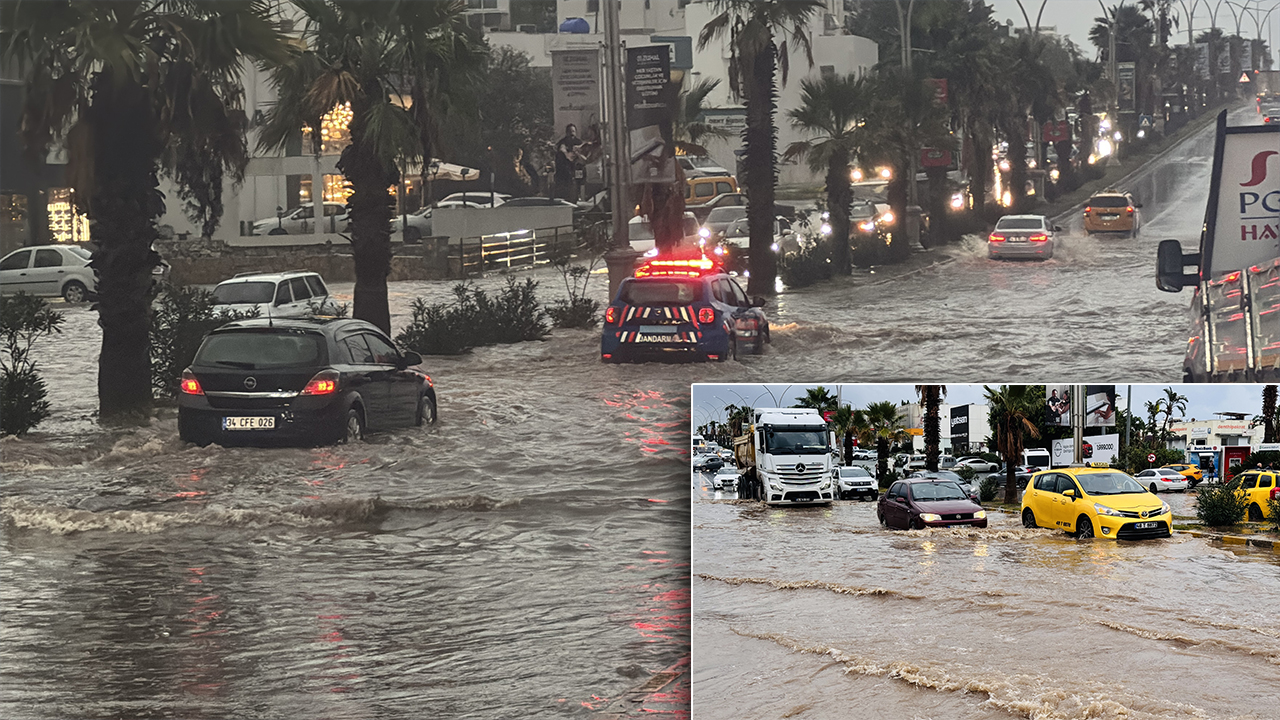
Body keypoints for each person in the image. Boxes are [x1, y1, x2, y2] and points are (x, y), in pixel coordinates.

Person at [554, 123, 581, 201]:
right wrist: (566, 154)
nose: (572, 133)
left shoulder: (579, 142)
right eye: (570, 131)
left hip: (576, 169)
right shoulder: (562, 142)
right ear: (567, 133)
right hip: (563, 171)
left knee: (577, 187)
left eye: (573, 131)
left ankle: (578, 197)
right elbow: (562, 149)